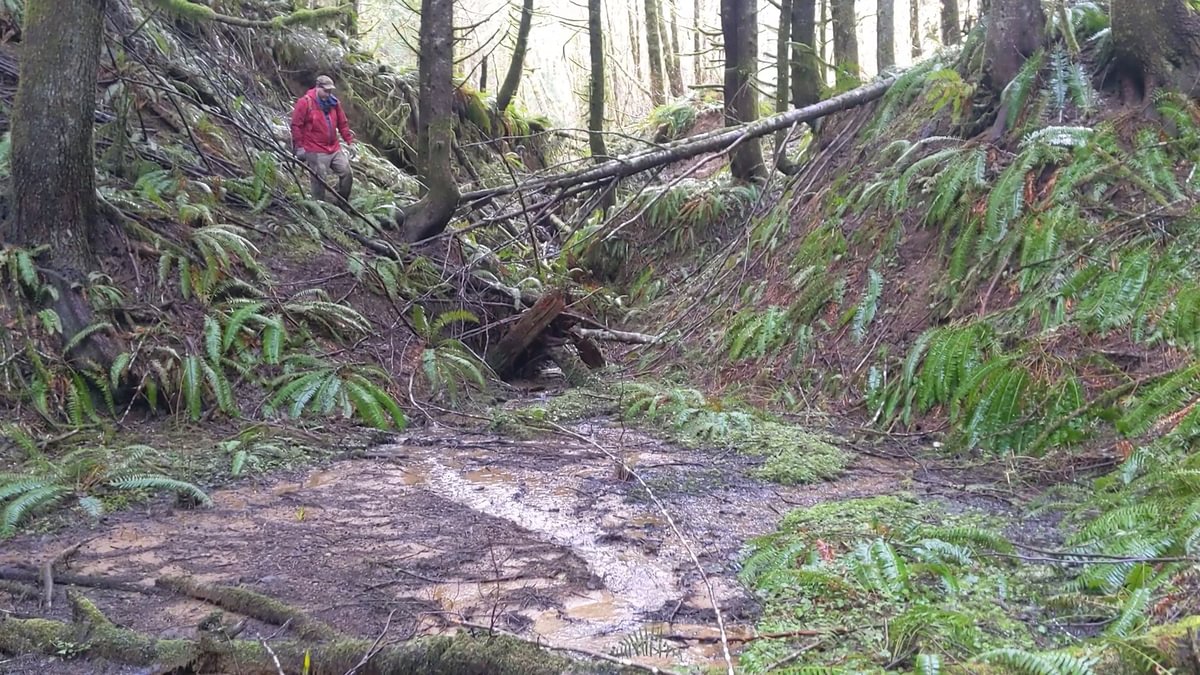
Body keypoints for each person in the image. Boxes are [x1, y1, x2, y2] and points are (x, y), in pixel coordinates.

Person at [290, 74, 357, 202]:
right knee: (319, 179)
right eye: (325, 91)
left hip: (334, 148)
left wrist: (349, 141)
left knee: (347, 173)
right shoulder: (305, 102)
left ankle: (342, 202)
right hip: (315, 149)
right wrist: (299, 146)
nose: (328, 94)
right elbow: (296, 125)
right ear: (317, 87)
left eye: (330, 91)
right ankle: (319, 205)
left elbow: (342, 123)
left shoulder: (334, 103)